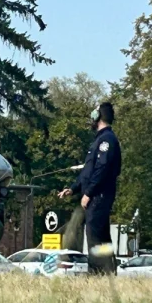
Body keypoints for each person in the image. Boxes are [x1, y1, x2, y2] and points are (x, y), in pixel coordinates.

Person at [59, 102, 123, 275]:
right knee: (101, 238)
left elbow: (101, 169)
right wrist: (73, 189)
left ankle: (96, 274)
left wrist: (88, 193)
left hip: (99, 196)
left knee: (95, 238)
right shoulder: (100, 140)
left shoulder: (106, 140)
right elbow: (88, 171)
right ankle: (108, 273)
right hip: (97, 196)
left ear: (97, 117)